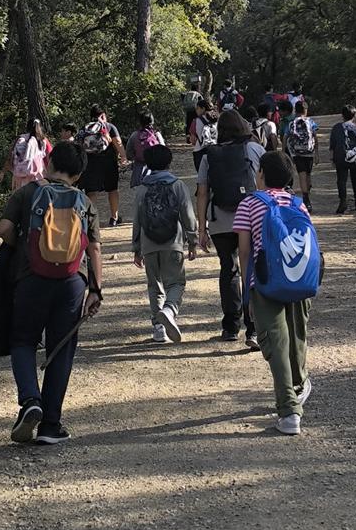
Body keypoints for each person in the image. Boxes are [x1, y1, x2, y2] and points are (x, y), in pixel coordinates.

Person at [0, 140, 103, 445]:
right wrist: (96, 289)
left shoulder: (28, 192)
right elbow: (94, 247)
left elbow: (3, 228)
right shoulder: (85, 203)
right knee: (61, 348)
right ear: (79, 174)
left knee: (23, 340)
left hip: (31, 279)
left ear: (49, 162)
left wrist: (23, 251)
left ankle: (31, 400)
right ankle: (50, 426)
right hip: (72, 281)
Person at [234, 151, 316, 436]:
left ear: (262, 174)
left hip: (266, 282)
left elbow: (244, 251)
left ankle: (289, 410)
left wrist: (247, 290)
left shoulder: (250, 203)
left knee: (276, 344)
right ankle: (298, 386)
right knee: (297, 338)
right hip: (300, 280)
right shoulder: (298, 203)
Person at [196, 109, 265, 346]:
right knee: (251, 270)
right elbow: (264, 186)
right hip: (252, 218)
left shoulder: (209, 156)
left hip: (220, 221)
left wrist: (202, 228)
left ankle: (230, 326)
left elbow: (202, 193)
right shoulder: (255, 150)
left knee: (229, 269)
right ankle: (254, 327)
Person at [132, 145, 198, 344]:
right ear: (169, 162)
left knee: (154, 285)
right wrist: (192, 240)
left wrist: (136, 248)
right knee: (176, 282)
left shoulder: (143, 188)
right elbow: (187, 214)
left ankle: (158, 328)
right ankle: (169, 309)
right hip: (173, 242)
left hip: (149, 243)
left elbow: (137, 219)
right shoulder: (177, 185)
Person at [77, 106, 128, 227]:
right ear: (103, 115)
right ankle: (114, 218)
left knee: (92, 191)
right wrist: (123, 157)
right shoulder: (109, 127)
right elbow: (118, 143)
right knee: (112, 189)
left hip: (90, 163)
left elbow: (79, 145)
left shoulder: (85, 128)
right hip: (109, 162)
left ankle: (90, 219)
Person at [329, 105, 356, 214]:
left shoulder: (336, 128)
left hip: (340, 157)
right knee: (355, 180)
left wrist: (332, 159)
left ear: (342, 115)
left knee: (341, 180)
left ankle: (343, 200)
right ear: (354, 116)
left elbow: (332, 145)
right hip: (354, 157)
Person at [284, 100, 319, 212]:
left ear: (295, 110)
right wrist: (317, 152)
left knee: (301, 175)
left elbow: (285, 137)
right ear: (306, 110)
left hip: (297, 153)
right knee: (308, 174)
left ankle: (306, 199)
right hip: (309, 152)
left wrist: (284, 151)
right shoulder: (311, 122)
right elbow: (315, 136)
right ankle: (307, 192)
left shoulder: (291, 123)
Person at [0, 118, 48, 191]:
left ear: (27, 127)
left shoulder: (21, 139)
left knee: (20, 200)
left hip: (20, 178)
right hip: (37, 179)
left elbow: (10, 156)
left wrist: (3, 172)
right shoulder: (42, 141)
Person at [125, 111, 165, 188]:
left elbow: (128, 153)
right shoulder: (156, 134)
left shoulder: (135, 135)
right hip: (156, 169)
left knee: (140, 195)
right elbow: (164, 150)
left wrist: (136, 158)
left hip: (139, 170)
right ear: (152, 121)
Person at [189, 98, 218, 172]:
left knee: (202, 178)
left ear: (203, 108)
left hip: (200, 151)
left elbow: (193, 140)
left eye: (197, 108)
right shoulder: (217, 119)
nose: (196, 110)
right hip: (216, 150)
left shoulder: (196, 121)